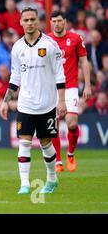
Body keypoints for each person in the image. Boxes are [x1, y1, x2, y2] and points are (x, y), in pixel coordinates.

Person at [0, 7, 67, 195]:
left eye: (32, 19)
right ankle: (25, 184)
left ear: (38, 22)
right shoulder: (17, 47)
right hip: (25, 104)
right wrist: (6, 101)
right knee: (24, 142)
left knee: (46, 143)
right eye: (26, 20)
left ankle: (52, 179)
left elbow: (60, 75)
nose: (29, 23)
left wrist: (61, 102)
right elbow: (15, 77)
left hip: (47, 103)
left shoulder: (50, 45)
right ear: (20, 22)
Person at [48, 11, 92, 172]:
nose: (57, 24)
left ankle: (71, 154)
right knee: (53, 126)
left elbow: (84, 62)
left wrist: (87, 85)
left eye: (59, 21)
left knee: (72, 123)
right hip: (51, 88)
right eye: (54, 21)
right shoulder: (46, 40)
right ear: (51, 23)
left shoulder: (75, 38)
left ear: (65, 21)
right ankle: (58, 161)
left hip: (70, 87)